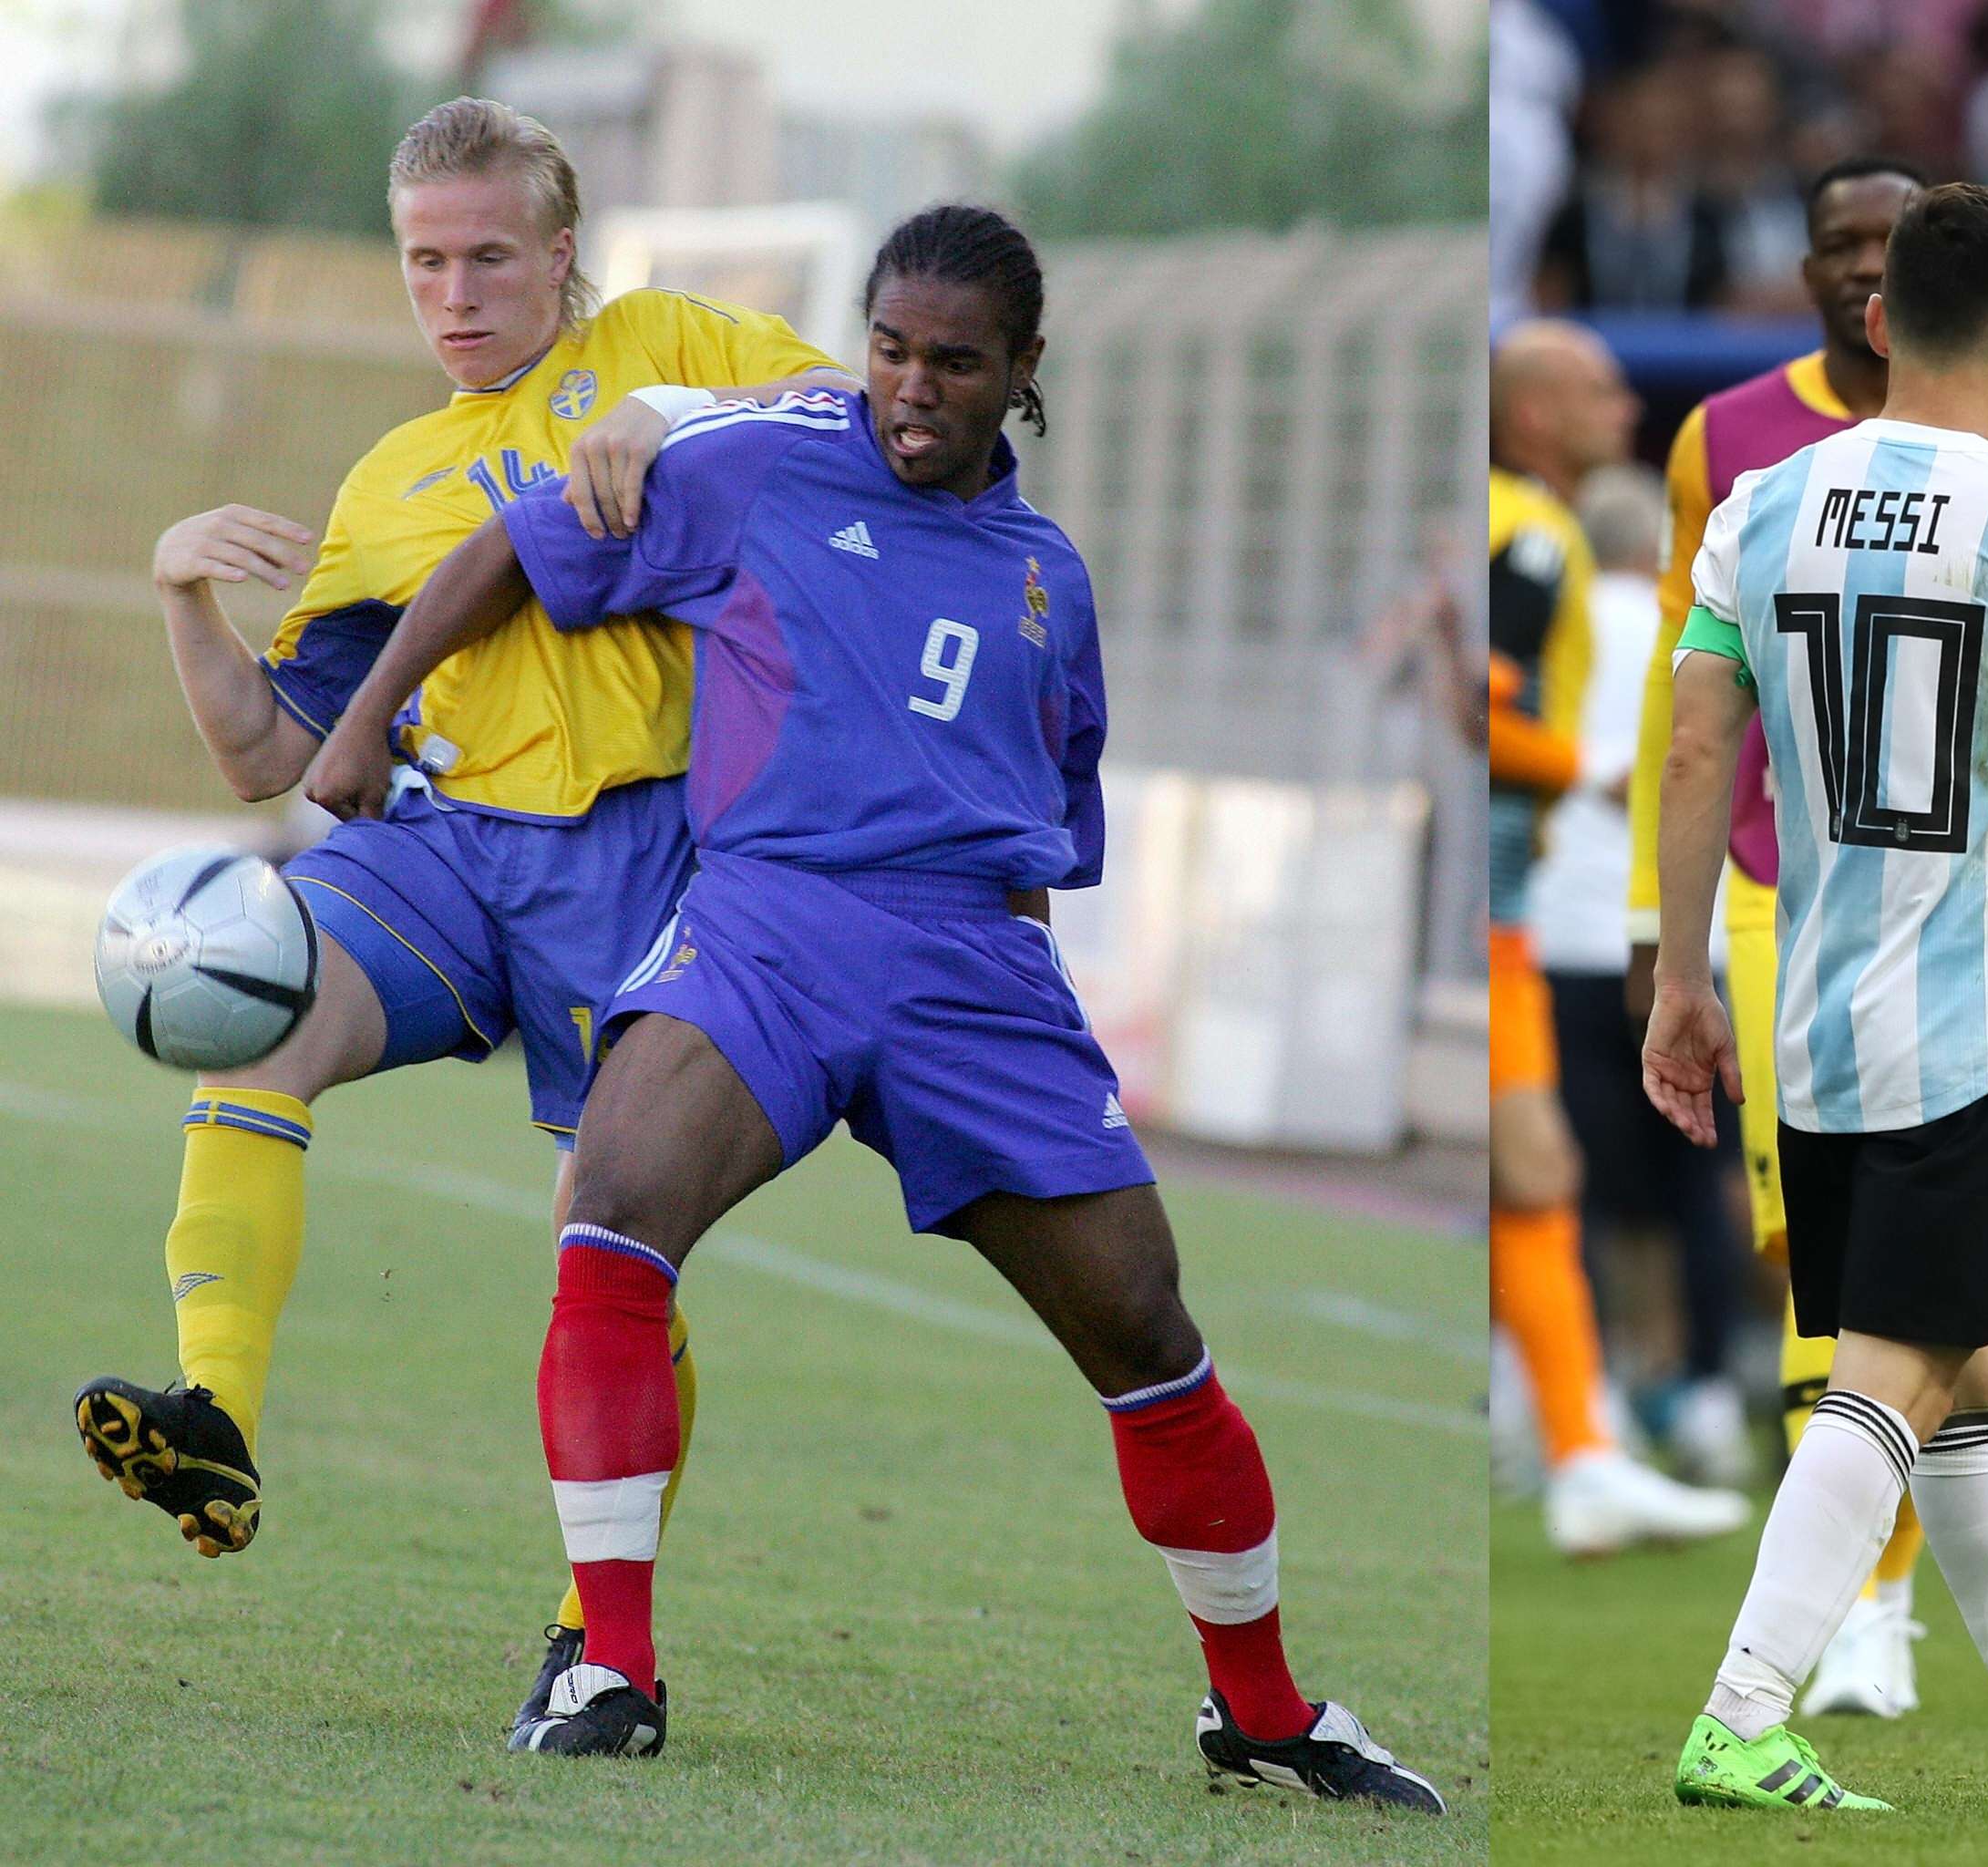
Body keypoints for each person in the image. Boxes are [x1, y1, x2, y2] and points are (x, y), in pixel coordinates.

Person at [296, 206, 1442, 1807]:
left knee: (1146, 1333)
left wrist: (1034, 1036)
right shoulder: (752, 463)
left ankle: (1258, 1708)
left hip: (975, 967)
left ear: (1022, 373)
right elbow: (513, 552)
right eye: (891, 349)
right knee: (613, 1212)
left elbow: (1041, 836)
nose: (911, 389)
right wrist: (363, 725)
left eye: (953, 363)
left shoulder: (1050, 578)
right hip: (770, 922)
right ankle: (609, 1661)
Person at [72, 97, 850, 1728]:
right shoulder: (393, 481)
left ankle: (594, 1624)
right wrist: (177, 592)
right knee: (257, 1014)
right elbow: (271, 757)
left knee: (611, 1235)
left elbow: (855, 411)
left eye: (489, 254)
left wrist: (667, 407)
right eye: (425, 259)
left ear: (562, 256)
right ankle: (215, 1420)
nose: (455, 290)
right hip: (448, 850)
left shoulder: (677, 332)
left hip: (651, 861)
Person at [1647, 181, 1988, 1814]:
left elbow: (1689, 746)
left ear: (1876, 322)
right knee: (1894, 1376)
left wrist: (1682, 978)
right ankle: (1742, 1711)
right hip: (1977, 1021)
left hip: (1815, 1013)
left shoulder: (1763, 502)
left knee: (1965, 1385)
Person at [1626, 152, 1939, 1719]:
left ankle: (1875, 1610)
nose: (1861, 265)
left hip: (1949, 903)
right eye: (1835, 243)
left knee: (1916, 1265)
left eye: (1892, 241)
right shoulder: (1728, 436)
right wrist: (1653, 919)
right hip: (1770, 887)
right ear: (1806, 265)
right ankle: (1867, 1604)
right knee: (1801, 1247)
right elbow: (1680, 697)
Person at [1492, 320, 1749, 1555]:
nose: (1619, 399)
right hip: (1591, 932)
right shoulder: (1538, 544)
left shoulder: (1544, 548)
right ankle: (1632, 1418)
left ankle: (1574, 1427)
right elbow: (1493, 709)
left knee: (1559, 1182)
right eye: (1592, 386)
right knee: (1652, 1181)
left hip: (1553, 929)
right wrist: (1591, 769)